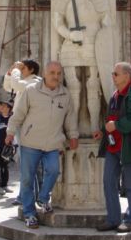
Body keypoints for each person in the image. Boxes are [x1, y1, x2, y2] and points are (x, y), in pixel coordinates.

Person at [5, 61, 78, 229]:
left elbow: (70, 117)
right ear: (45, 74)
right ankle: (30, 214)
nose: (56, 76)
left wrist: (73, 135)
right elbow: (19, 114)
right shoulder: (31, 91)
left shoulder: (65, 94)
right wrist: (10, 132)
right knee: (27, 179)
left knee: (53, 170)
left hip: (53, 143)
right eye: (52, 73)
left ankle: (43, 198)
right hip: (30, 142)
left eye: (59, 73)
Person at [54, 0, 113, 133]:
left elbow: (107, 23)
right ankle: (73, 127)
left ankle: (95, 124)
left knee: (94, 85)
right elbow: (58, 22)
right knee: (72, 86)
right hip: (71, 44)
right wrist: (70, 35)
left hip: (94, 43)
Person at [93, 61, 131, 233]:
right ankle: (113, 218)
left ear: (127, 76)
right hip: (112, 147)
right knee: (109, 182)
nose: (113, 76)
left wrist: (116, 126)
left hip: (129, 148)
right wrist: (104, 131)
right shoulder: (115, 95)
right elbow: (112, 117)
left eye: (116, 74)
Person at [3, 59, 42, 205]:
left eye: (23, 68)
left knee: (29, 162)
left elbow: (16, 84)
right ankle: (25, 195)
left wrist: (15, 71)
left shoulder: (35, 82)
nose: (20, 70)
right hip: (22, 124)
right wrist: (11, 71)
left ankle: (29, 195)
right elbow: (8, 86)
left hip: (28, 124)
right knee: (25, 162)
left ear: (31, 70)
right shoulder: (25, 83)